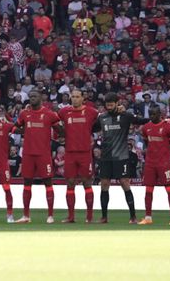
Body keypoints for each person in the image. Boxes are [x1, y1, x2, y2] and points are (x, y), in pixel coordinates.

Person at [94, 92, 147, 223]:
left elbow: (141, 120)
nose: (109, 106)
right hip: (106, 157)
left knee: (125, 183)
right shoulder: (102, 117)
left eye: (111, 104)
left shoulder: (125, 116)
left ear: (117, 103)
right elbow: (91, 128)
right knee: (104, 184)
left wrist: (159, 119)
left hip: (121, 156)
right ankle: (104, 217)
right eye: (107, 104)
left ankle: (133, 217)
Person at [15, 90, 61, 223]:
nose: (32, 99)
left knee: (48, 182)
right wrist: (26, 130)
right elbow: (15, 128)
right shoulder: (24, 113)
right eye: (30, 97)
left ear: (40, 98)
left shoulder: (49, 114)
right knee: (27, 182)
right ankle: (26, 216)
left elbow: (60, 129)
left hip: (44, 154)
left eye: (34, 96)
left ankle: (50, 215)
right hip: (28, 153)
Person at [58, 88, 98, 223]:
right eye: (73, 96)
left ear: (83, 98)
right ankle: (71, 217)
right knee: (70, 184)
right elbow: (54, 121)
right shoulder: (64, 112)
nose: (74, 99)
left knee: (87, 183)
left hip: (85, 153)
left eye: (77, 96)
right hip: (70, 153)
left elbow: (102, 120)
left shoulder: (91, 112)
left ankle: (89, 217)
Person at [138, 106, 170, 225]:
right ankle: (148, 217)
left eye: (154, 114)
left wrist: (165, 154)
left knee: (169, 189)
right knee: (148, 189)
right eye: (150, 114)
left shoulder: (168, 127)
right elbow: (146, 142)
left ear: (160, 114)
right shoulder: (146, 128)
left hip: (164, 163)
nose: (152, 116)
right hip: (150, 163)